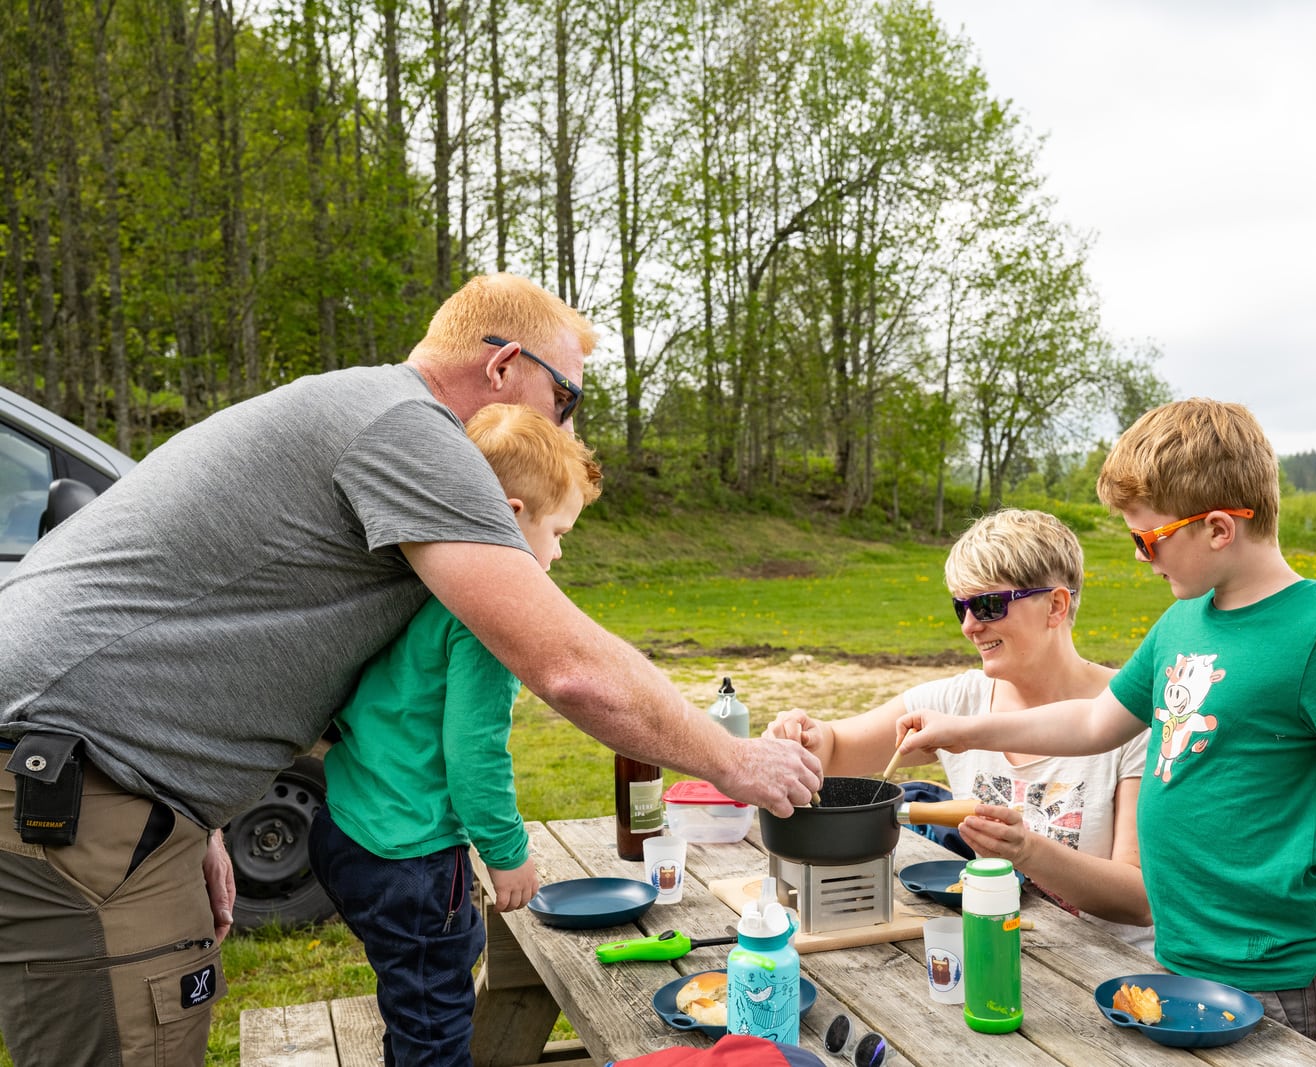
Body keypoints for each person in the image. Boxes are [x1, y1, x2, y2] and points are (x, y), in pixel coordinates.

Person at [0, 273, 821, 1067]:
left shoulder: (362, 409)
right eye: (565, 400)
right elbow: (567, 664)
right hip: (69, 790)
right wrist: (736, 760)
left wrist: (193, 817)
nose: (565, 434)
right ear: (503, 368)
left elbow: (217, 622)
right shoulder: (408, 429)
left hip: (104, 786)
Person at [892, 399, 1316, 1064]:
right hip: (1185, 954)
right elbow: (1095, 719)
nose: (1145, 559)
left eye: (1148, 540)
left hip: (1282, 975)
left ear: (1215, 529)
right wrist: (967, 726)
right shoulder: (1181, 623)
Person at [309, 403, 599, 1064]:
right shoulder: (490, 618)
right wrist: (507, 850)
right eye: (558, 531)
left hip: (349, 826)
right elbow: (473, 753)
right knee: (437, 1025)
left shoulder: (416, 578)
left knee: (412, 1001)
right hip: (409, 856)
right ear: (514, 511)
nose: (557, 551)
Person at [765, 508, 1154, 952]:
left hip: (1104, 968)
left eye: (989, 605)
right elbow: (836, 750)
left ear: (1056, 605)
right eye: (961, 607)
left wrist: (1027, 852)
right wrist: (806, 737)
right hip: (1003, 952)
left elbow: (1140, 900)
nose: (970, 625)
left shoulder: (1129, 714)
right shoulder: (958, 701)